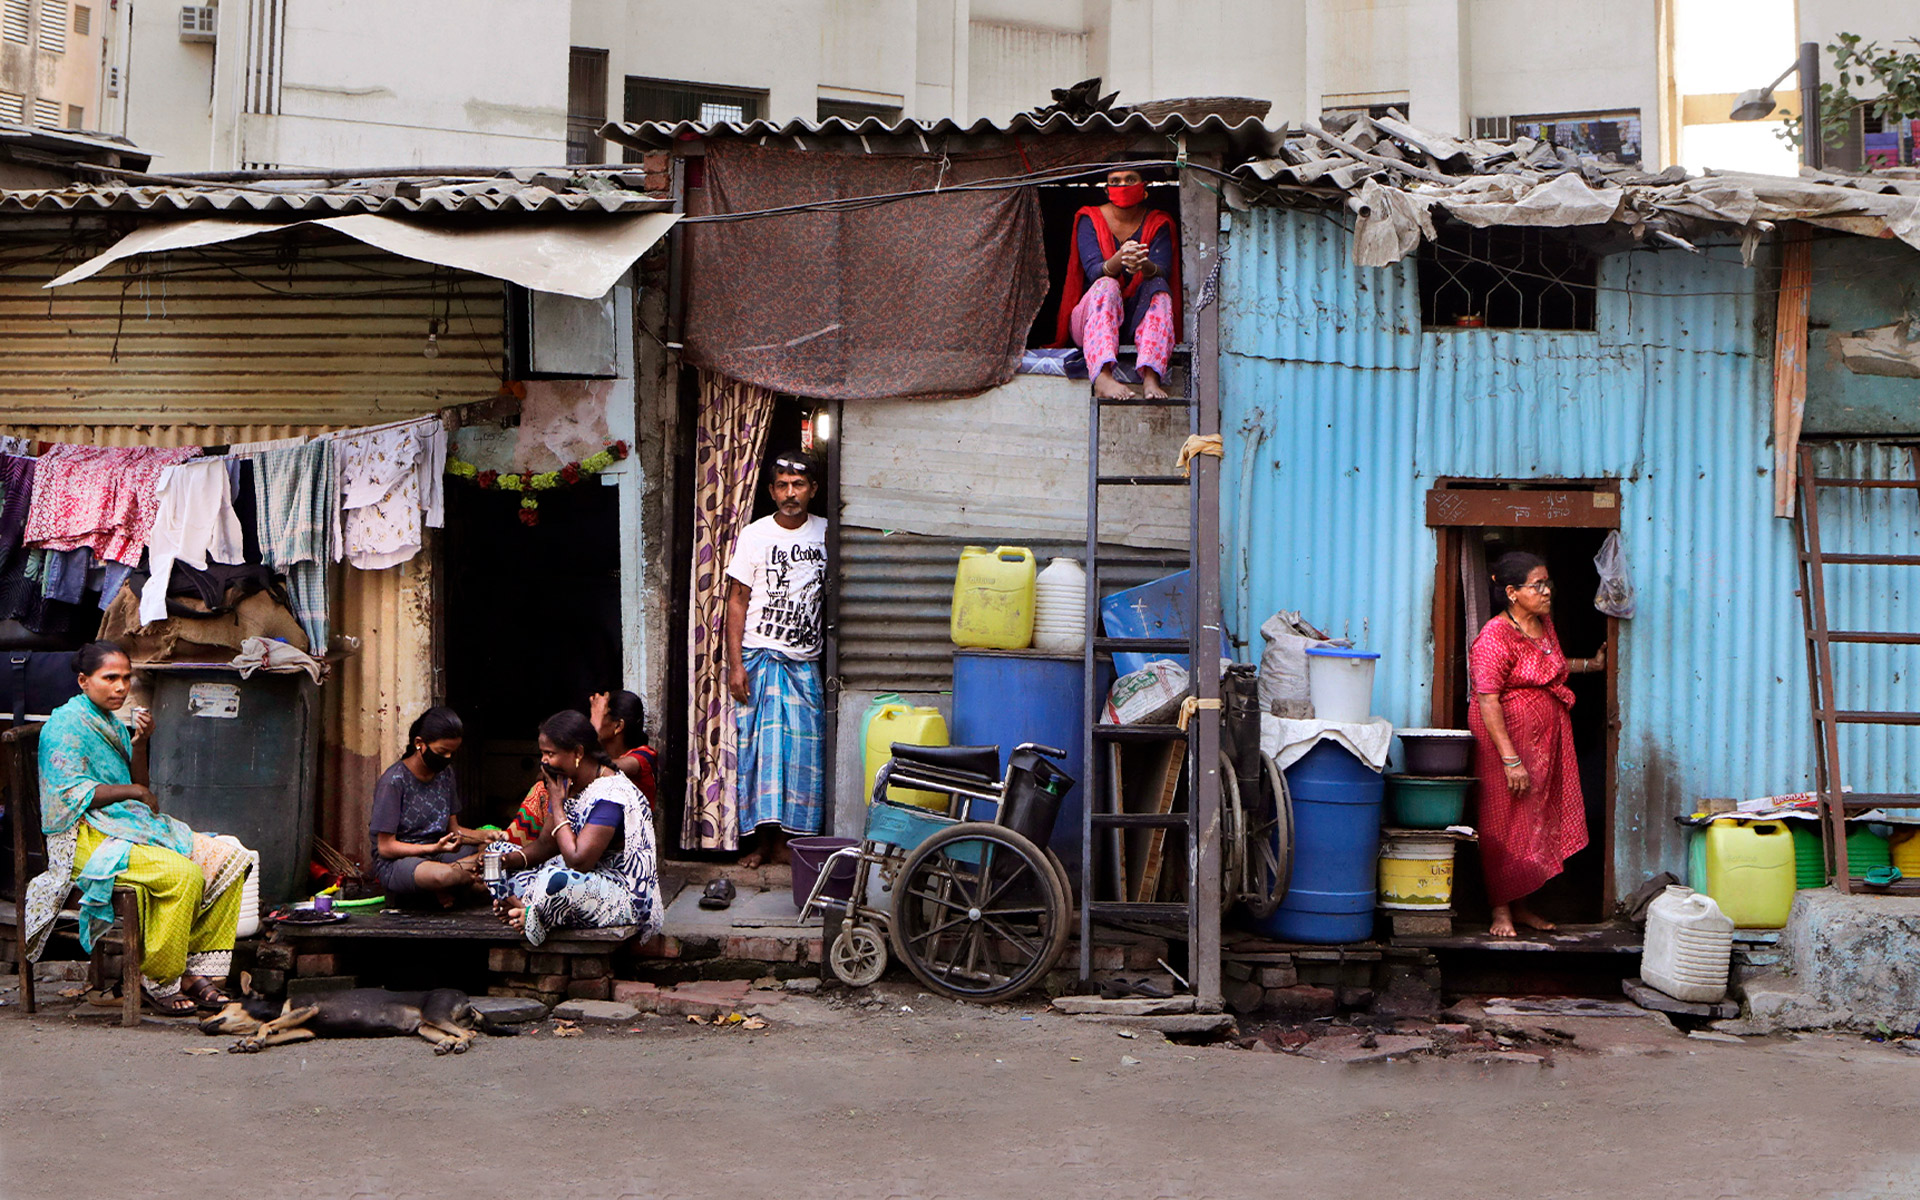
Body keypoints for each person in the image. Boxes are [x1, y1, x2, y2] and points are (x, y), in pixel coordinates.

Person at [20, 641, 248, 1015]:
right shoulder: (65, 725)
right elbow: (70, 792)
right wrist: (135, 790)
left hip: (125, 827)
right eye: (110, 678)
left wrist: (141, 743)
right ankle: (158, 978)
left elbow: (137, 784)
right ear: (83, 680)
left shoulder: (110, 721)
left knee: (229, 857)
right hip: (86, 840)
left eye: (126, 678)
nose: (121, 687)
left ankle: (193, 972)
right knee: (184, 875)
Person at [1468, 552, 1606, 938]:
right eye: (1538, 586)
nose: (1547, 592)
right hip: (1505, 747)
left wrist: (1591, 667)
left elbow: (1551, 668)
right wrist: (1511, 760)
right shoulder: (1493, 637)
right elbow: (1487, 700)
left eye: (1548, 584)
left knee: (1533, 820)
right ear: (1512, 592)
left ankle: (1523, 904)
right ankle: (1500, 910)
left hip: (1543, 745)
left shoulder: (1544, 625)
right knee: (1502, 821)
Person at [725, 451, 827, 868]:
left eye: (798, 485)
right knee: (760, 756)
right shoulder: (753, 535)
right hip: (759, 658)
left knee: (803, 755)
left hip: (804, 662)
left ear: (813, 490)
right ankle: (762, 844)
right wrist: (735, 665)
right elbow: (736, 601)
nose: (790, 493)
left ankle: (794, 845)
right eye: (782, 485)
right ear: (770, 491)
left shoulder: (827, 533)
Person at [490, 710, 663, 946]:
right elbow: (546, 845)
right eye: (543, 754)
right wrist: (506, 860)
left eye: (550, 754)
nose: (544, 762)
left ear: (578, 753)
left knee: (557, 880)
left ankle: (532, 913)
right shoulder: (568, 783)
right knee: (494, 854)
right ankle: (526, 910)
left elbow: (579, 861)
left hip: (619, 894)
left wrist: (557, 804)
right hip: (579, 878)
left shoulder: (611, 794)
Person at [1054, 166, 1182, 402]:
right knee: (1106, 285)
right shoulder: (1089, 219)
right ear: (1107, 190)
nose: (1122, 186)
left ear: (1144, 189)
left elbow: (1162, 270)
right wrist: (1120, 257)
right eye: (1116, 181)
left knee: (1160, 291)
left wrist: (1143, 264)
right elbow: (1094, 271)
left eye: (1130, 179)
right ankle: (1102, 376)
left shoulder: (1158, 222)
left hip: (1133, 322)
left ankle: (1152, 376)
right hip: (1092, 321)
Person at [368, 706, 490, 908]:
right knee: (445, 876)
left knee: (494, 854)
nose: (448, 759)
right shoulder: (394, 781)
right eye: (443, 752)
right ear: (419, 744)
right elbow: (386, 847)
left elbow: (454, 830)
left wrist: (488, 837)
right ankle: (462, 883)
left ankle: (451, 883)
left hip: (441, 856)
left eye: (453, 753)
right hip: (400, 862)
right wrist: (433, 847)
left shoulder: (445, 774)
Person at [505, 690, 658, 844]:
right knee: (542, 790)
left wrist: (593, 731)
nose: (590, 722)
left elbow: (610, 768)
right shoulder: (597, 755)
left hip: (616, 839)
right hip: (589, 829)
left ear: (618, 726)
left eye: (596, 717)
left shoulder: (643, 755)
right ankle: (515, 844)